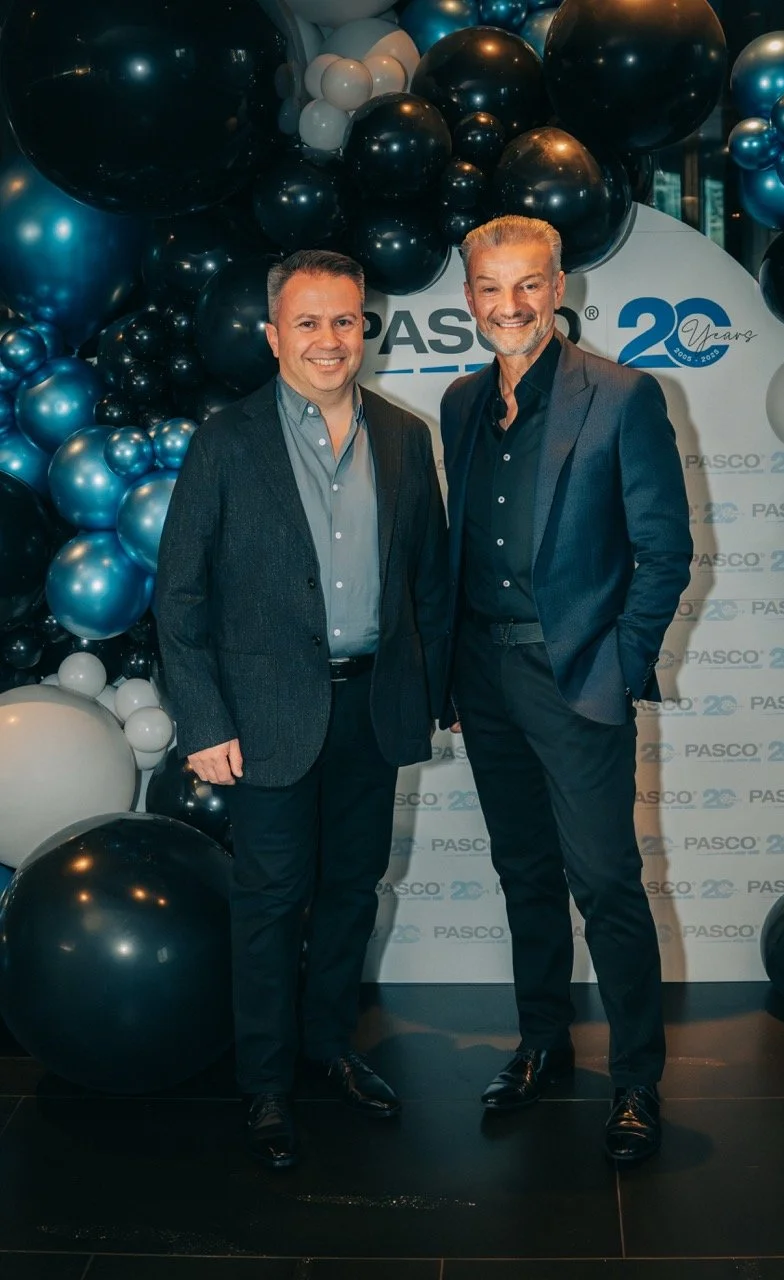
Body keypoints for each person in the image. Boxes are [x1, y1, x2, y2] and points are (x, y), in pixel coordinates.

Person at [157, 249, 448, 1170]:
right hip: (263, 716)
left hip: (372, 709)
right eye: (310, 322)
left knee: (352, 892)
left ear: (366, 328)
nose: (330, 340)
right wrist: (202, 724)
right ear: (275, 334)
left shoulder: (404, 436)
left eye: (346, 320)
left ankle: (329, 1050)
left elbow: (430, 585)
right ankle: (267, 1084)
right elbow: (180, 596)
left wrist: (431, 694)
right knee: (271, 903)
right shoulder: (225, 440)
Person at [439, 215, 692, 1166]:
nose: (509, 306)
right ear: (469, 299)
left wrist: (619, 664)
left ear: (557, 290)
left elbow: (664, 550)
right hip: (485, 676)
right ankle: (541, 1043)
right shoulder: (462, 402)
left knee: (607, 885)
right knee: (525, 875)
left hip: (576, 677)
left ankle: (634, 1081)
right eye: (490, 289)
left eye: (527, 286)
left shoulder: (623, 396)